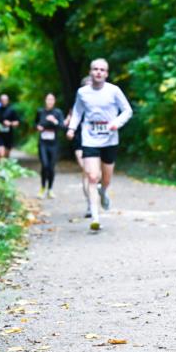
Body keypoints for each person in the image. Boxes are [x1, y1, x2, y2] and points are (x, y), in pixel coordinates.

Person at [66, 59, 133, 231]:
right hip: (90, 139)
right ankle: (95, 216)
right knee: (92, 176)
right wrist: (72, 128)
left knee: (106, 179)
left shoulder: (114, 91)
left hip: (110, 139)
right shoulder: (82, 92)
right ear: (90, 72)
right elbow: (78, 112)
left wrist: (116, 123)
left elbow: (127, 110)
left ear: (106, 73)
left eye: (102, 70)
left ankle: (103, 192)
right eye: (95, 69)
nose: (98, 72)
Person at [68, 75, 94, 214]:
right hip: (80, 141)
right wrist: (70, 128)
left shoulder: (99, 102)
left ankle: (96, 193)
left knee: (95, 174)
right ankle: (90, 204)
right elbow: (71, 119)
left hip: (96, 141)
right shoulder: (77, 105)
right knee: (87, 172)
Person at [36, 92, 65, 198]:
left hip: (54, 144)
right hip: (43, 143)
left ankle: (50, 189)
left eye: (52, 99)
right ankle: (42, 187)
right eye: (48, 99)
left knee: (51, 167)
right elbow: (36, 123)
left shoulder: (58, 112)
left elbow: (63, 127)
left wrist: (55, 121)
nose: (50, 101)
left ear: (54, 101)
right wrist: (38, 127)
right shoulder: (40, 112)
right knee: (45, 165)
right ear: (45, 101)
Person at [0, 93, 20, 161]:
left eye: (5, 100)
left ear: (8, 101)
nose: (4, 101)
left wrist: (10, 123)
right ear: (0, 101)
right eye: (2, 100)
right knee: (1, 152)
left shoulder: (12, 110)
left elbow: (17, 123)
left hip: (9, 135)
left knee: (6, 154)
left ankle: (0, 165)